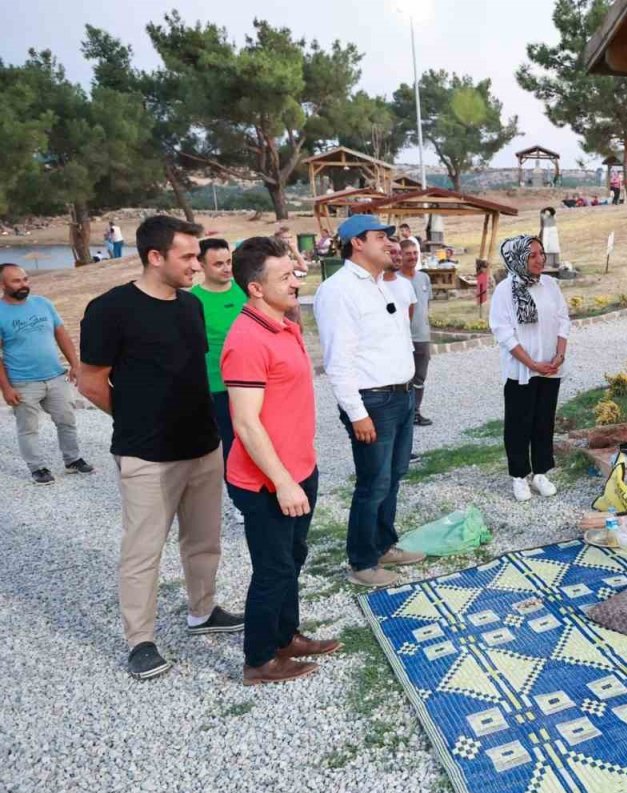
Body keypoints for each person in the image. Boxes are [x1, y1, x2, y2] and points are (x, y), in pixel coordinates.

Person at [79, 215, 244, 680]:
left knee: (203, 540)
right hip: (146, 454)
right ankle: (140, 640)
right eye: (188, 256)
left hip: (203, 446)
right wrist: (135, 418)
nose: (198, 264)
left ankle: (202, 611)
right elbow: (90, 383)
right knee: (143, 550)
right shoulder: (109, 309)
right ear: (156, 257)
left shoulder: (190, 306)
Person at [223, 237, 340, 685]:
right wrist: (282, 482)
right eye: (285, 277)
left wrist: (299, 475)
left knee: (293, 558)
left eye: (295, 274)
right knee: (273, 570)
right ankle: (258, 660)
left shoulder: (283, 323)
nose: (296, 282)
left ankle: (285, 635)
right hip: (266, 482)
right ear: (255, 288)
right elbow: (247, 424)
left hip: (299, 470)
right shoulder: (247, 338)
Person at [313, 215, 425, 587]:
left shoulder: (384, 285)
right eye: (381, 238)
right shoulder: (339, 289)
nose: (390, 245)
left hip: (402, 395)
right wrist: (356, 413)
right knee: (373, 482)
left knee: (393, 477)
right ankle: (362, 562)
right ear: (356, 243)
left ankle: (382, 543)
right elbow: (338, 362)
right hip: (372, 402)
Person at [489, 236, 570, 501]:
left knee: (544, 421)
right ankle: (519, 475)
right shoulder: (504, 290)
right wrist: (533, 364)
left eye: (541, 254)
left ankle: (541, 473)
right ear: (519, 258)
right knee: (518, 423)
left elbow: (562, 320)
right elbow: (504, 333)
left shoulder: (550, 285)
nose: (540, 259)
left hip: (550, 368)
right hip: (521, 371)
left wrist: (559, 355)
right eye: (533, 255)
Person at [0, 263, 93, 484]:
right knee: (29, 428)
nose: (23, 285)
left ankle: (72, 460)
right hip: (22, 382)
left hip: (55, 376)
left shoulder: (43, 304)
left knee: (67, 420)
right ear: (2, 285)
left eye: (25, 279)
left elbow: (61, 334)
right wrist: (6, 388)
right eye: (16, 281)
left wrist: (75, 364)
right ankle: (37, 468)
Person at [191, 238, 247, 469]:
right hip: (217, 386)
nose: (227, 268)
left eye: (229, 261)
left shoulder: (245, 290)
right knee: (229, 444)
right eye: (218, 264)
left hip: (251, 381)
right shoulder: (192, 300)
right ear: (201, 265)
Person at [399, 239, 433, 427]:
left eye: (415, 253)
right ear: (401, 256)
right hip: (402, 339)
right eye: (408, 253)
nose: (412, 257)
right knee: (403, 377)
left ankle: (416, 411)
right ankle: (403, 414)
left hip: (422, 336)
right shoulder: (394, 280)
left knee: (420, 376)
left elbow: (427, 305)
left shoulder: (424, 278)